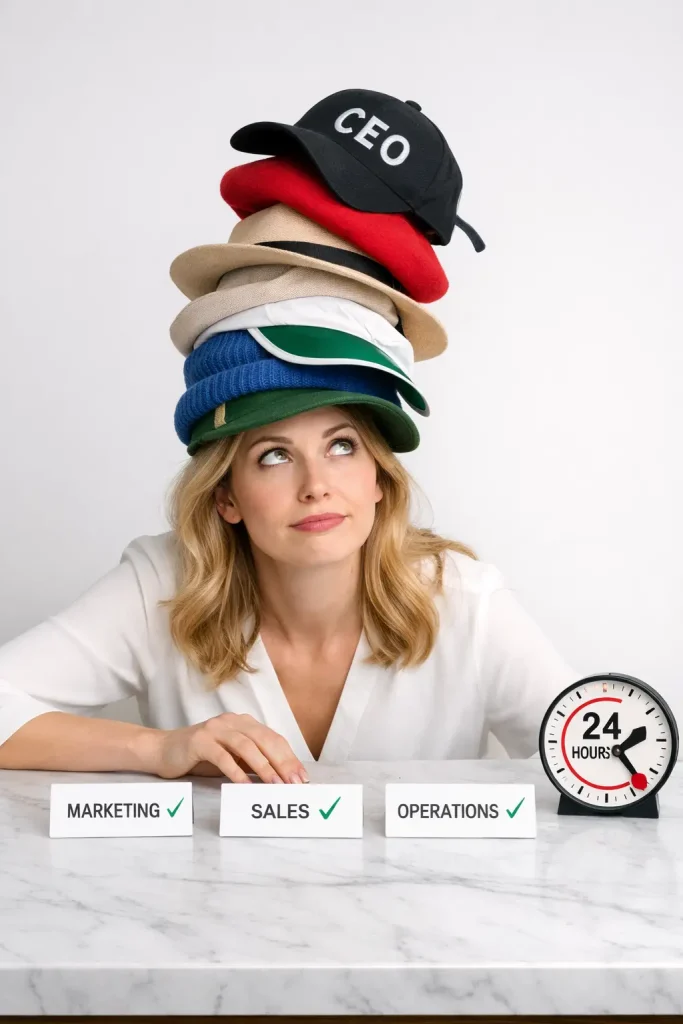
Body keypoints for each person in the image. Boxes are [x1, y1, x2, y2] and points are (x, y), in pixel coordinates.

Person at [0, 395, 578, 782]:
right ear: (226, 498)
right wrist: (159, 750)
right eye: (274, 456)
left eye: (342, 446)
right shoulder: (165, 581)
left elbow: (594, 763)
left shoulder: (465, 599)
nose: (316, 486)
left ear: (378, 477)